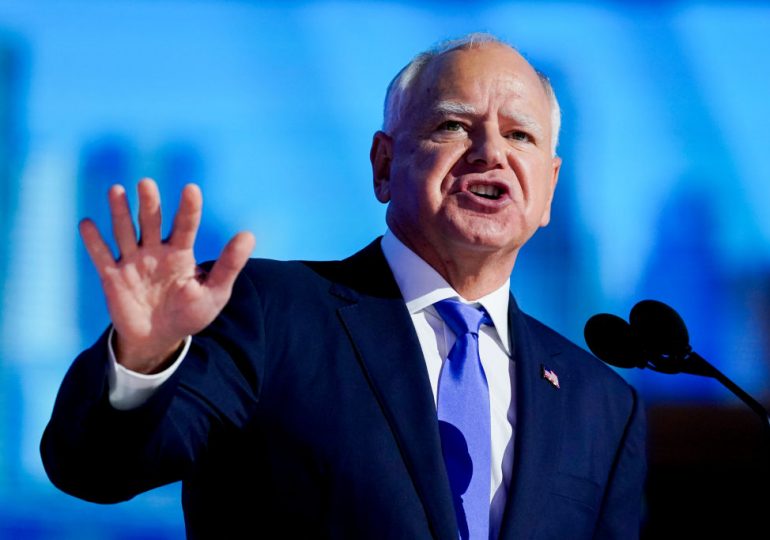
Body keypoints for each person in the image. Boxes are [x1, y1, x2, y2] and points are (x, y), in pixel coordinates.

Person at [41, 33, 646, 539]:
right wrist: (144, 360)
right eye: (455, 126)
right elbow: (96, 468)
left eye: (519, 136)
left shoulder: (601, 403)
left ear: (549, 188)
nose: (489, 152)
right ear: (384, 165)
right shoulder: (268, 312)